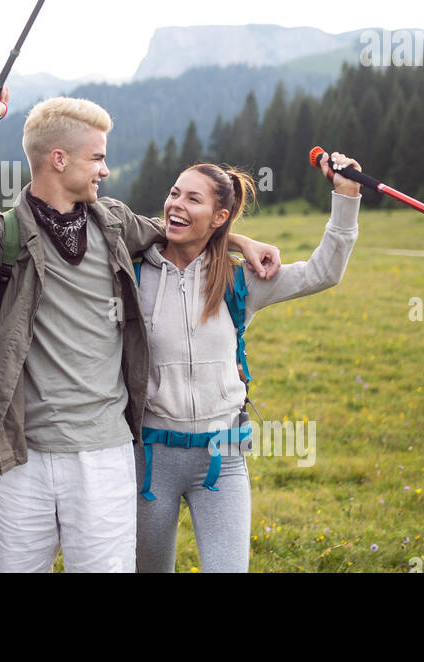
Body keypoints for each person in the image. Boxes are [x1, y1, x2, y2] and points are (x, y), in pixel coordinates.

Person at [0, 86, 282, 573]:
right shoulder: (2, 235)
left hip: (105, 453)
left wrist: (239, 238)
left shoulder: (115, 222)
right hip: (21, 455)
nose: (104, 169)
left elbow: (182, 227)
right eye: (96, 158)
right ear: (58, 159)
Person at [134, 152, 362, 573]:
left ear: (219, 216)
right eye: (173, 193)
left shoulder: (240, 279)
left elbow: (323, 272)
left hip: (223, 459)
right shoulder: (133, 274)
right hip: (149, 462)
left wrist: (345, 198)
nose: (176, 205)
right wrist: (238, 237)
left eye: (192, 199)